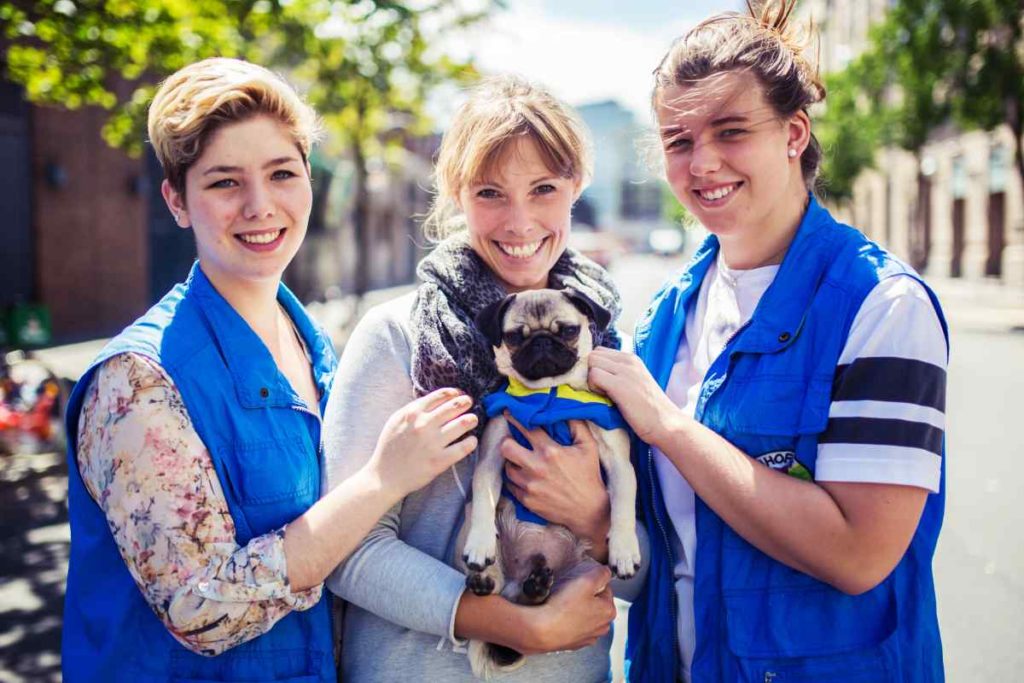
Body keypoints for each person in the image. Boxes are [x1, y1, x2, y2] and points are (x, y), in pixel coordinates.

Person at [62, 58, 478, 682]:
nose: (260, 206)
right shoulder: (136, 382)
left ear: (309, 180)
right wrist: (382, 479)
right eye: (225, 182)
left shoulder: (317, 350)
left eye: (282, 173)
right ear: (176, 200)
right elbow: (200, 607)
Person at [587, 2, 948, 681]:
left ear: (793, 132)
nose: (704, 162)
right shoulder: (664, 317)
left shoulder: (882, 307)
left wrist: (668, 426)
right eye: (678, 140)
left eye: (731, 131)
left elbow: (857, 553)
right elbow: (664, 553)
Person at [322, 75, 647, 681]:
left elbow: (650, 572)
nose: (520, 221)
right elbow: (349, 552)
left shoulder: (605, 346)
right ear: (456, 195)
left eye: (544, 189)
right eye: (491, 192)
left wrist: (598, 522)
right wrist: (504, 623)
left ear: (576, 189)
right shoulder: (396, 336)